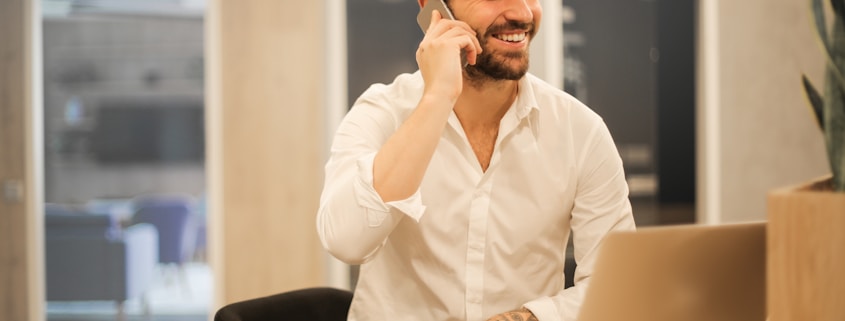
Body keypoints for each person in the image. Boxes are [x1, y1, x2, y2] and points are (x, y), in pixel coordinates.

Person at [317, 0, 636, 320]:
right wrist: (437, 97)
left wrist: (529, 318)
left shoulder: (580, 131)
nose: (523, 13)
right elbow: (346, 242)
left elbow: (617, 286)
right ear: (433, 7)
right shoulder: (382, 112)